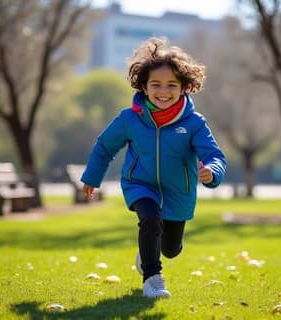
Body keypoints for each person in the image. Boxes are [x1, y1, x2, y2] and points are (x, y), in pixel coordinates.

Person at [81, 37, 226, 299]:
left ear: (184, 88)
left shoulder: (194, 123)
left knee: (171, 249)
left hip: (178, 193)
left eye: (172, 85)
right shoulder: (130, 118)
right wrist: (92, 177)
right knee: (149, 219)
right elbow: (104, 147)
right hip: (140, 185)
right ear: (144, 88)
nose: (163, 91)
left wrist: (212, 171)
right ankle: (152, 279)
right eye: (155, 84)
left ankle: (148, 251)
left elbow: (214, 155)